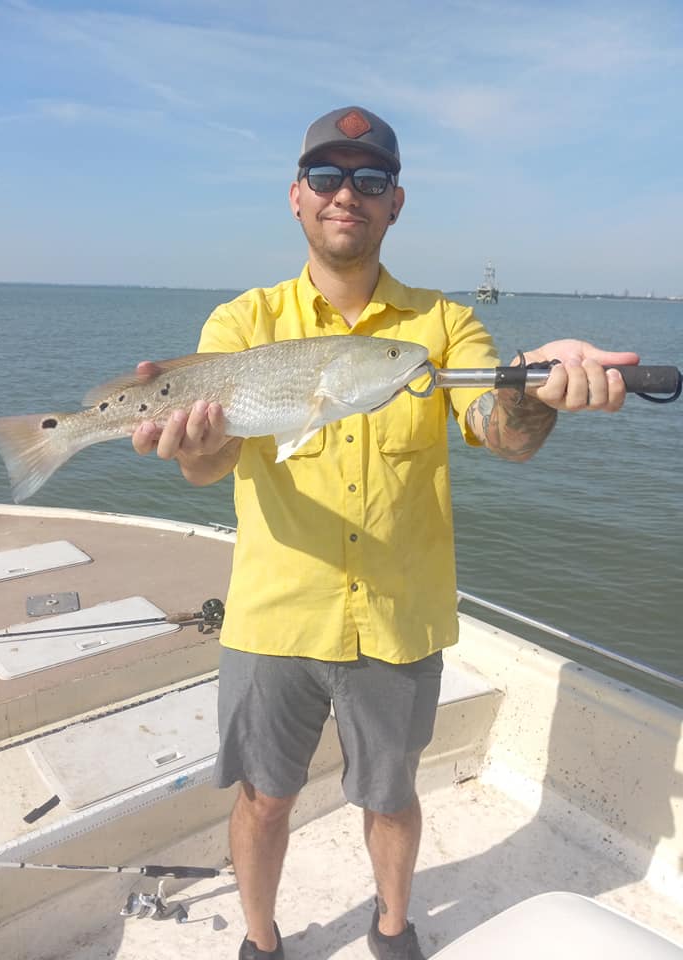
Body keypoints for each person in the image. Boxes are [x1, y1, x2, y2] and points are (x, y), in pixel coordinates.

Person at [132, 106, 638, 960]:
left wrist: (531, 387)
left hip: (399, 622)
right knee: (263, 796)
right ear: (296, 196)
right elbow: (207, 466)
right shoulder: (242, 323)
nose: (346, 195)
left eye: (369, 181)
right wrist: (192, 444)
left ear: (395, 203)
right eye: (326, 177)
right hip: (274, 617)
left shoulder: (440, 327)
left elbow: (500, 433)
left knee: (393, 794)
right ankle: (261, 941)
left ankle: (392, 927)